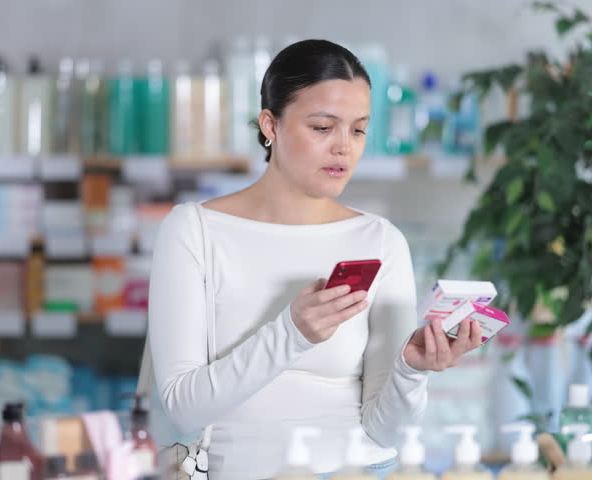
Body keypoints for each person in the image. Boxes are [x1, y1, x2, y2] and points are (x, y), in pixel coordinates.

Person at [147, 39, 484, 479]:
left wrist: (411, 370)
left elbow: (387, 430)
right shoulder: (194, 230)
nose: (344, 147)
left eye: (358, 129)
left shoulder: (380, 240)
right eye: (323, 127)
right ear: (270, 125)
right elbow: (183, 410)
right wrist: (291, 333)